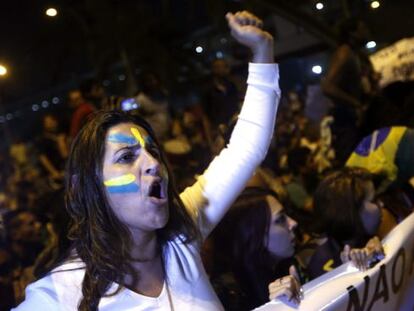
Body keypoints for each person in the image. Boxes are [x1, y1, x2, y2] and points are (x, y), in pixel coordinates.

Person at [14, 11, 280, 310]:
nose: (153, 162)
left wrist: (262, 52)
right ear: (88, 184)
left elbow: (246, 146)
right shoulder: (58, 296)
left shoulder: (183, 234)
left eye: (153, 150)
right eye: (127, 156)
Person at [209, 188, 302, 310]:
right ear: (251, 234)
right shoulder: (229, 296)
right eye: (280, 220)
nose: (293, 223)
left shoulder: (289, 266)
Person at [306, 168, 385, 279]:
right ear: (350, 213)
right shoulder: (322, 265)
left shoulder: (372, 239)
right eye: (373, 200)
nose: (381, 204)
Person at [321, 17, 371, 165]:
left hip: (351, 120)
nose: (367, 32)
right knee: (354, 166)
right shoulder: (344, 53)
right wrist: (356, 104)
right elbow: (327, 86)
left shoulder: (353, 54)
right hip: (346, 121)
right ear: (352, 33)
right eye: (363, 29)